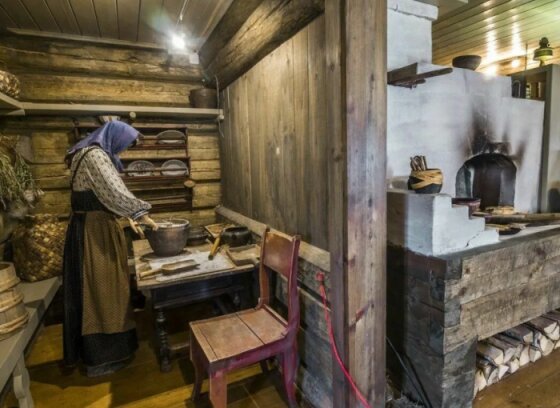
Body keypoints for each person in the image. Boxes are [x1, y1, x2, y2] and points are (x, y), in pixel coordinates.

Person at [62, 121, 157, 377]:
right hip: (94, 235)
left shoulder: (84, 152)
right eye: (124, 145)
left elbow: (101, 195)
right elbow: (114, 193)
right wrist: (141, 213)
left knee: (103, 291)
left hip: (92, 228)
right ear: (114, 137)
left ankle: (104, 355)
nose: (122, 150)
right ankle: (101, 359)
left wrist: (128, 218)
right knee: (102, 293)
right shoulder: (94, 155)